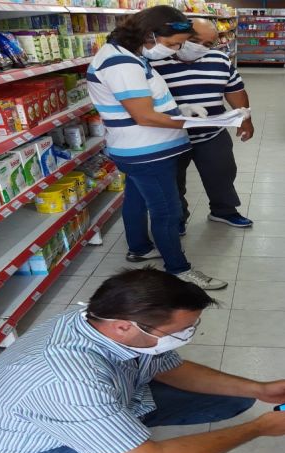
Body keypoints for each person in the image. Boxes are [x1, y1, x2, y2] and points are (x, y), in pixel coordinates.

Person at [0, 268, 285, 453]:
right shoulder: (68, 379)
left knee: (232, 399)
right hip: (38, 446)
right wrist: (258, 428)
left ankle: (116, 428)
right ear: (125, 327)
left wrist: (259, 388)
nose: (188, 335)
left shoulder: (102, 319)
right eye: (181, 330)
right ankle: (111, 439)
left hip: (112, 398)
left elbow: (173, 368)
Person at [87, 6, 227, 290]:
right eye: (173, 44)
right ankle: (178, 270)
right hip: (147, 153)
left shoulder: (127, 55)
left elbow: (144, 103)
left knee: (137, 200)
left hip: (138, 150)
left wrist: (179, 108)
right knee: (167, 212)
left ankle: (139, 248)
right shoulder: (121, 63)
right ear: (150, 34)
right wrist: (190, 122)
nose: (176, 50)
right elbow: (144, 116)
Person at [150, 18, 254, 232]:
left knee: (222, 173)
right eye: (194, 40)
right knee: (173, 180)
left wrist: (245, 120)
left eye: (207, 44)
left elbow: (235, 90)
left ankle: (223, 211)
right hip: (170, 136)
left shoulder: (220, 59)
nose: (199, 48)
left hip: (212, 132)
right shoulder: (153, 61)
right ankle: (177, 218)